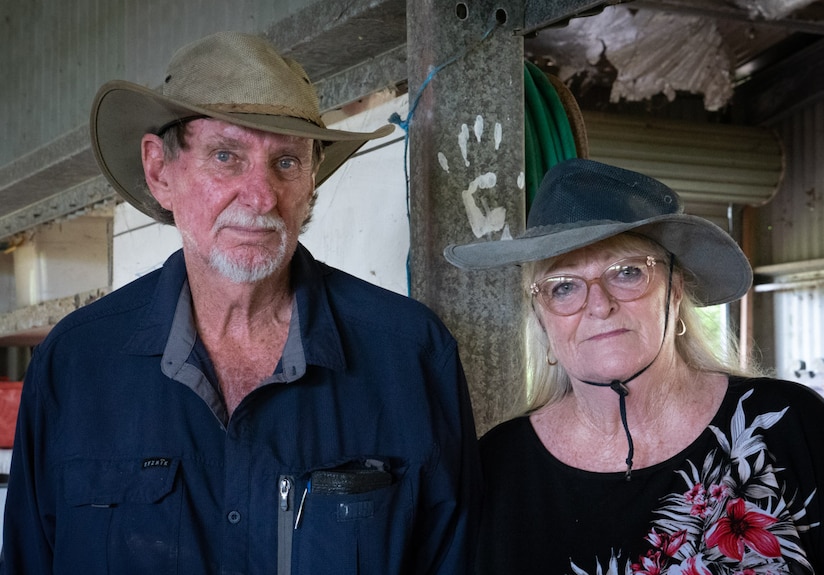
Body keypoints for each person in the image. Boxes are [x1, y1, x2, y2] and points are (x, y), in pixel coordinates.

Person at [1, 31, 480, 574]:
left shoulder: (410, 356)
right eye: (226, 156)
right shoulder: (76, 364)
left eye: (286, 162)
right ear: (161, 172)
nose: (261, 197)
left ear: (312, 178)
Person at [444, 158, 824, 575]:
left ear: (675, 292)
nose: (599, 304)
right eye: (564, 286)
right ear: (541, 316)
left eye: (626, 272)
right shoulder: (495, 468)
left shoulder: (788, 424)